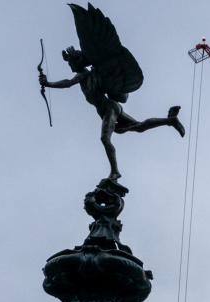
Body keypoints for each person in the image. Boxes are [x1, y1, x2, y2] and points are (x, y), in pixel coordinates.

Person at [38, 4, 184, 181]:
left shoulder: (84, 75)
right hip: (111, 108)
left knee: (105, 139)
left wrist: (49, 83)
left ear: (78, 62)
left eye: (71, 63)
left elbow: (68, 83)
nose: (70, 66)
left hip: (110, 109)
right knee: (138, 127)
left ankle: (115, 171)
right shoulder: (89, 74)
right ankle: (170, 120)